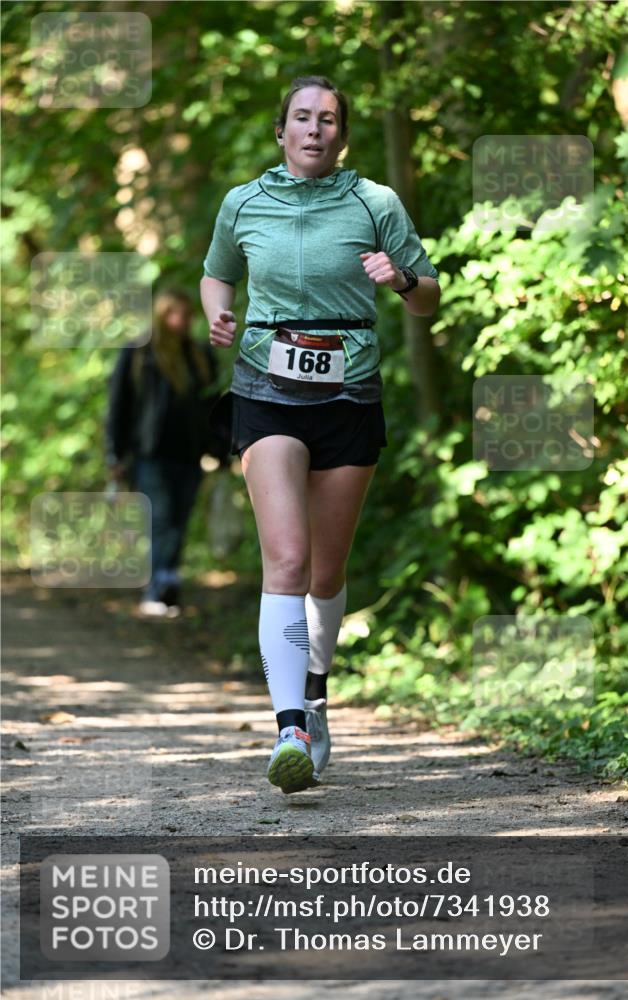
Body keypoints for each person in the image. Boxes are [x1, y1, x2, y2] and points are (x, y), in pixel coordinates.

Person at [200, 75, 440, 794]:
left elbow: (429, 300)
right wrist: (220, 314)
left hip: (347, 393)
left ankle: (317, 691)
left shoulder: (375, 204)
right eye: (302, 118)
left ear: (342, 134)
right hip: (264, 392)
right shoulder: (243, 202)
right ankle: (288, 728)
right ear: (281, 131)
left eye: (328, 119)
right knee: (289, 559)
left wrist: (399, 279)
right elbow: (216, 275)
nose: (314, 129)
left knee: (328, 572)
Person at [106, 287, 227, 617]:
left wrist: (221, 449)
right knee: (160, 519)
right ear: (164, 314)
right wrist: (114, 454)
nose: (187, 321)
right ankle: (158, 587)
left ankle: (167, 584)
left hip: (190, 454)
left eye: (190, 315)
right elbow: (119, 405)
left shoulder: (199, 354)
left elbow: (212, 405)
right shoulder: (140, 353)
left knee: (179, 521)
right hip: (150, 454)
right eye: (180, 314)